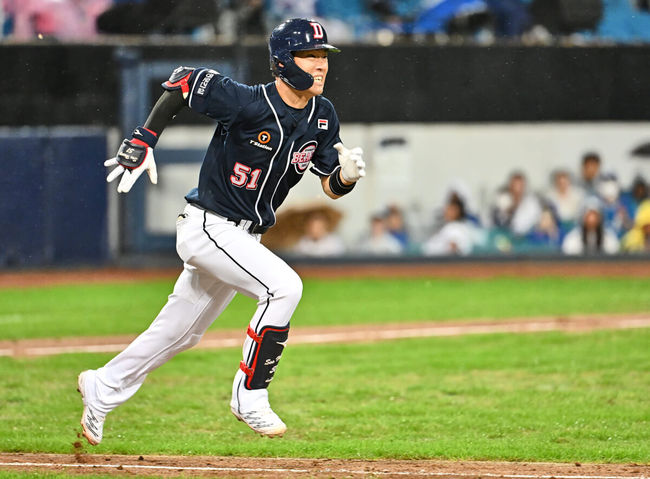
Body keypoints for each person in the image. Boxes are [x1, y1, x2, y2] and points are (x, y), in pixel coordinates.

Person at [77, 18, 366, 445]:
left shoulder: (322, 115)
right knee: (284, 288)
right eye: (311, 56)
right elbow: (182, 82)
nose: (321, 65)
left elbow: (329, 184)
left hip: (245, 237)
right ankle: (249, 395)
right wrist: (143, 138)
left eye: (324, 57)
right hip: (209, 226)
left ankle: (104, 385)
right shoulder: (248, 102)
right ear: (284, 61)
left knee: (181, 332)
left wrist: (346, 176)